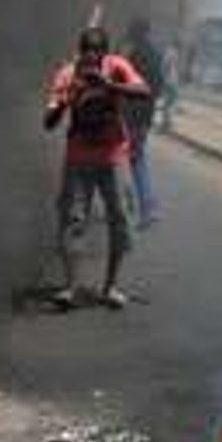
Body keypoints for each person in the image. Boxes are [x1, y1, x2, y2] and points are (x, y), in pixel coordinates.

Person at [44, 26, 151, 310]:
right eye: (87, 53)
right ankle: (70, 287)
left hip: (113, 157)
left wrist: (109, 85)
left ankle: (111, 287)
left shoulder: (116, 67)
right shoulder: (67, 74)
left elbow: (144, 91)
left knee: (120, 221)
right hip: (78, 159)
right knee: (73, 221)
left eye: (97, 53)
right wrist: (64, 101)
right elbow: (49, 122)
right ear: (80, 53)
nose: (92, 59)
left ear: (105, 53)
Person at [120, 19, 162, 228]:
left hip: (131, 116)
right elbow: (159, 86)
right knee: (137, 159)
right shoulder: (155, 54)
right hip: (145, 116)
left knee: (126, 159)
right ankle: (145, 207)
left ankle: (144, 208)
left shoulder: (135, 56)